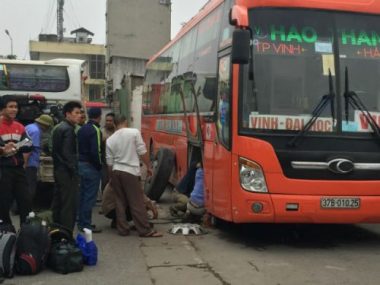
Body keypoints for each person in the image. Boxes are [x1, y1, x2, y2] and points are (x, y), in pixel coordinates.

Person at [106, 115, 162, 237]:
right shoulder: (134, 132)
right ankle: (144, 230)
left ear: (115, 124)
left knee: (120, 201)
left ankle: (123, 229)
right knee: (136, 202)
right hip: (130, 171)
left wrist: (111, 178)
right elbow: (142, 151)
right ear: (125, 121)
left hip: (116, 171)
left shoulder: (110, 139)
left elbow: (109, 163)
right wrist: (149, 166)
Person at [0, 95, 33, 226]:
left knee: (25, 201)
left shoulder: (20, 126)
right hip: (3, 170)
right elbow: (5, 150)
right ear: (2, 109)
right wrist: (2, 150)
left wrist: (16, 147)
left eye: (16, 107)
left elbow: (29, 144)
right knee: (3, 203)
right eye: (10, 107)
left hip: (18, 169)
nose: (14, 110)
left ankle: (26, 232)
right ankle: (6, 231)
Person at [51, 101, 82, 231]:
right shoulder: (68, 129)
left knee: (59, 201)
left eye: (80, 113)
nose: (79, 115)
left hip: (58, 169)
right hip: (66, 172)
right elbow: (67, 153)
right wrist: (74, 170)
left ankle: (56, 230)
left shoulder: (59, 127)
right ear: (68, 114)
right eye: (77, 113)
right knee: (69, 205)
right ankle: (66, 233)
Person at [77, 107, 103, 233]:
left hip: (80, 165)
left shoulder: (81, 129)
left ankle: (80, 222)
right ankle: (86, 225)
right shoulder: (95, 129)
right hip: (90, 167)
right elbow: (96, 151)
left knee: (82, 196)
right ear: (99, 116)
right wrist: (99, 165)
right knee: (89, 198)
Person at [24, 114, 54, 204]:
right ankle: (26, 208)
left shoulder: (29, 126)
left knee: (22, 186)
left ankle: (17, 207)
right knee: (30, 187)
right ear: (45, 125)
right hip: (30, 163)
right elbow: (30, 148)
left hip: (24, 161)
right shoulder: (36, 131)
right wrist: (25, 163)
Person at [101, 112, 116, 191]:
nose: (108, 122)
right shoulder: (102, 132)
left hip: (117, 161)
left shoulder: (118, 132)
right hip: (105, 162)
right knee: (105, 181)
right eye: (107, 120)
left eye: (110, 121)